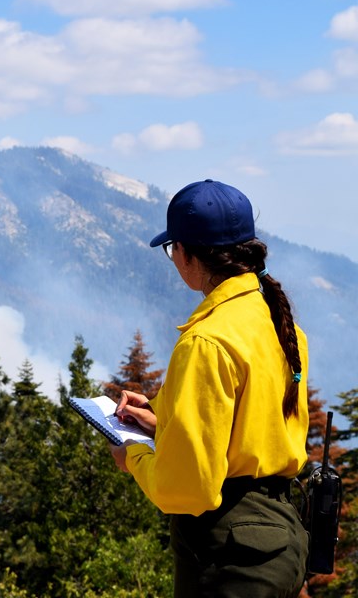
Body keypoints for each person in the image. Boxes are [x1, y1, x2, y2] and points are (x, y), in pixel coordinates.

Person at [110, 179, 309, 597]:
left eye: (171, 249)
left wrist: (134, 456)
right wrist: (161, 415)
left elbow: (187, 489)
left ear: (184, 252)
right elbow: (250, 423)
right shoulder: (278, 323)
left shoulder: (206, 340)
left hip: (229, 550)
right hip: (284, 536)